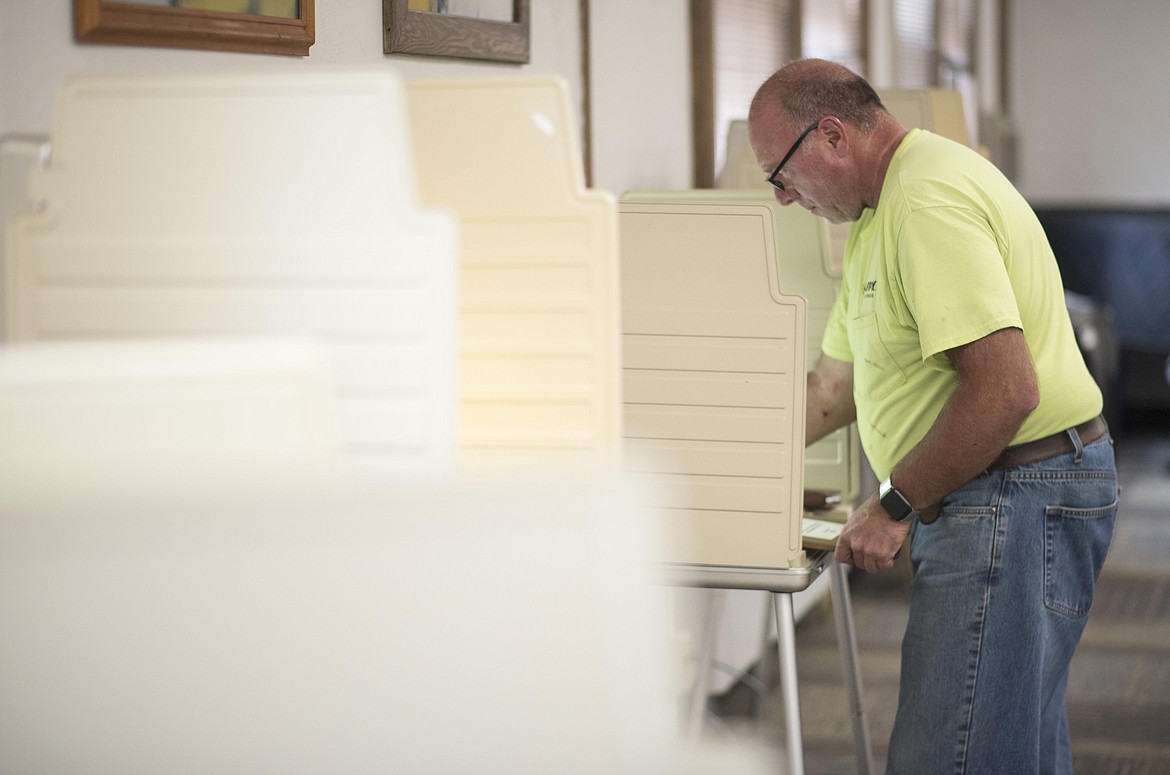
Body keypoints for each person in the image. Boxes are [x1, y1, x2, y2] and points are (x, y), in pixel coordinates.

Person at [748, 59, 1118, 774]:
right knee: (1013, 747)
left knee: (952, 754)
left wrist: (891, 504)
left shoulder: (925, 203)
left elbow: (1005, 390)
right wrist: (718, 447)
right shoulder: (877, 214)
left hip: (1013, 493)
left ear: (831, 135)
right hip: (1001, 493)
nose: (783, 198)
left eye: (779, 174)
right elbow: (835, 383)